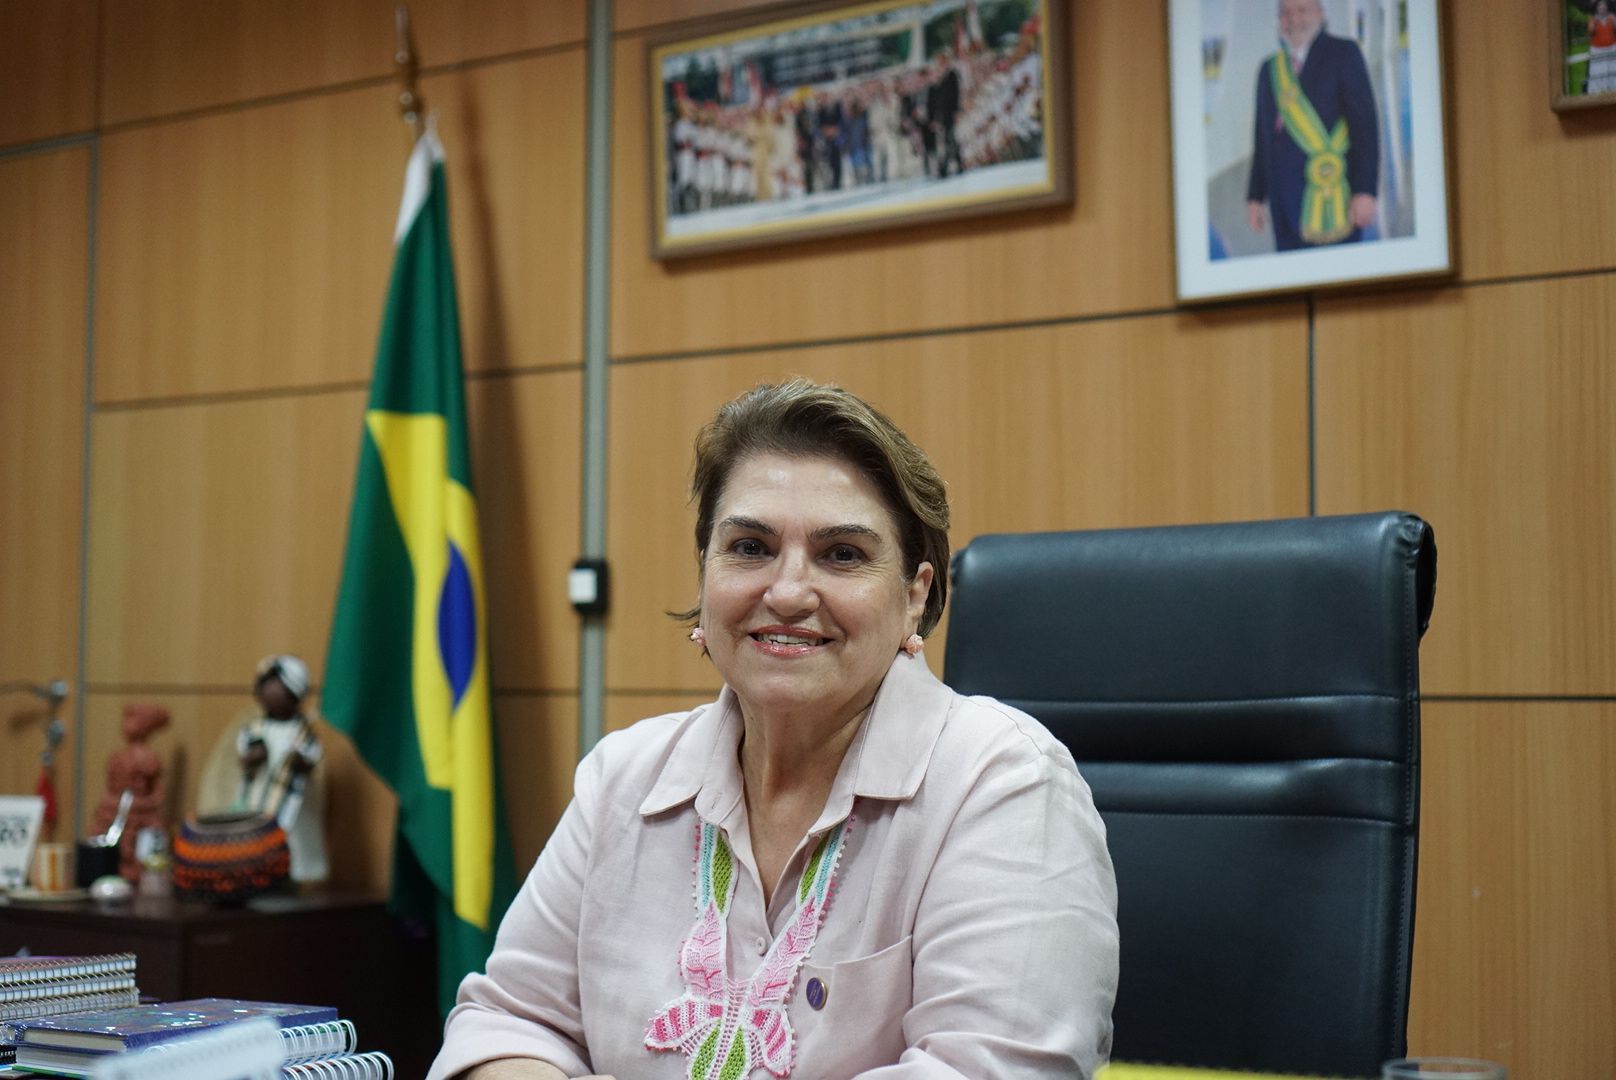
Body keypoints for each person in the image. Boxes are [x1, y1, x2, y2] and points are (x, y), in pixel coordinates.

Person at [428, 380, 1119, 1079]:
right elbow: (506, 1023)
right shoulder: (624, 777)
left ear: (915, 595)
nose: (786, 593)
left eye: (842, 554)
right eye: (750, 547)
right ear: (705, 576)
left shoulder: (1001, 781)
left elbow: (988, 1070)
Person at [1246, 0, 1379, 251]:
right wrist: (1255, 197)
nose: (1294, 19)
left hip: (1334, 198)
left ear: (1320, 13)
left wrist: (1365, 191)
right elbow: (1262, 139)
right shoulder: (1268, 69)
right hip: (1283, 206)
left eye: (1302, 10)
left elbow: (1365, 127)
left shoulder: (1344, 53)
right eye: (1286, 13)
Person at [196, 653, 328, 883]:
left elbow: (312, 759)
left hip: (293, 803)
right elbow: (244, 758)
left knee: (293, 842)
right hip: (257, 798)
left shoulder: (302, 732)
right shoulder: (254, 729)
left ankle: (291, 875)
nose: (268, 691)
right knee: (253, 840)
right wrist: (254, 756)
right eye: (265, 685)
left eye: (276, 685)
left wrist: (299, 761)